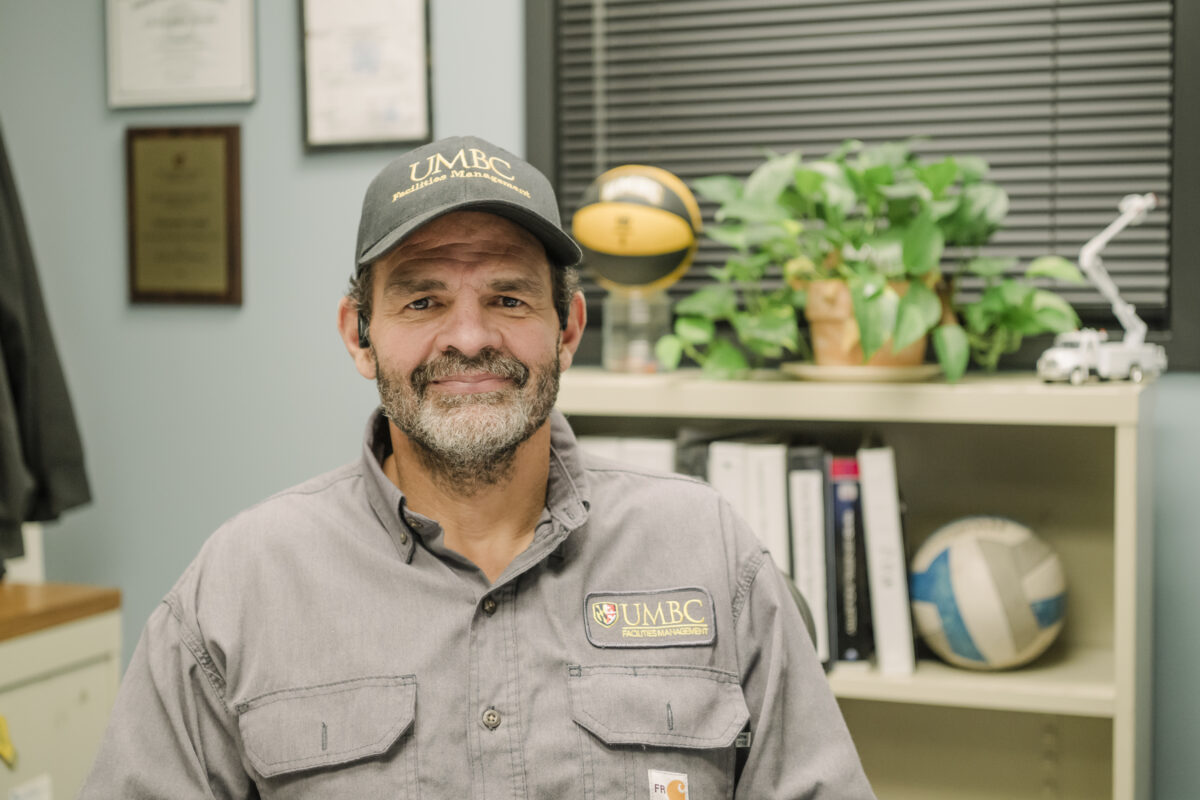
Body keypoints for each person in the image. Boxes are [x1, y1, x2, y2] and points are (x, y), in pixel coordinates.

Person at [80, 135, 876, 799]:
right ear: (359, 334)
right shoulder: (240, 587)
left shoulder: (710, 552)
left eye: (508, 299)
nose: (468, 337)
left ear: (567, 329)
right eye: (423, 301)